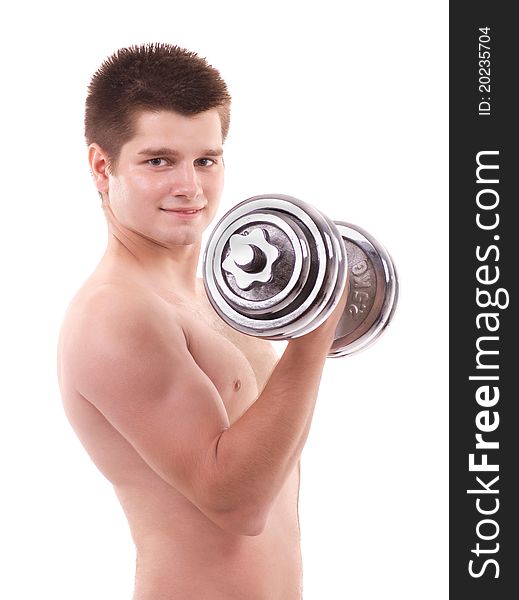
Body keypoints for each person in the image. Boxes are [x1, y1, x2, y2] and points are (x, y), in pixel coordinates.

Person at [57, 42, 348, 600]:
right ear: (102, 165)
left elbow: (276, 450)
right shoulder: (114, 314)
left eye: (206, 160)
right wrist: (312, 340)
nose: (189, 186)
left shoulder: (214, 299)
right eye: (158, 160)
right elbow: (236, 503)